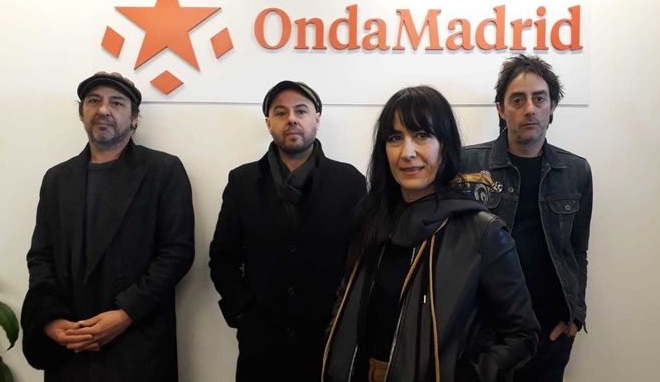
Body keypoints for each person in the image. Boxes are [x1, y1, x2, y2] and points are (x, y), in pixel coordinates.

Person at [322, 86, 539, 382]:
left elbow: (521, 334)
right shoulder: (371, 220)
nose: (407, 152)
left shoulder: (482, 232)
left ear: (445, 146)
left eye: (422, 135)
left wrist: (468, 374)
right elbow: (345, 297)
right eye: (395, 138)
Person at [21, 72, 195, 382]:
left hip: (138, 342)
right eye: (93, 101)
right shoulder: (57, 179)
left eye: (116, 103)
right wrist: (50, 319)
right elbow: (41, 257)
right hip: (71, 345)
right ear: (82, 113)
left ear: (134, 118)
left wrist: (126, 313)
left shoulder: (163, 171)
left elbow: (177, 253)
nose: (103, 110)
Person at [209, 80, 366, 381]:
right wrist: (243, 314)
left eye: (301, 111)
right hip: (261, 346)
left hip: (328, 341)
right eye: (280, 112)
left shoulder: (350, 182)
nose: (291, 119)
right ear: (269, 123)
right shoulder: (242, 181)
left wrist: (344, 319)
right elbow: (223, 258)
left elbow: (361, 260)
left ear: (317, 119)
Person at [461, 54, 593, 381]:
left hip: (549, 334)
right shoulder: (467, 166)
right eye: (517, 100)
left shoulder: (576, 171)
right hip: (481, 333)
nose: (530, 109)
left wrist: (575, 315)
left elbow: (577, 250)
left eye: (539, 98)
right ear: (501, 109)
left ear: (552, 106)